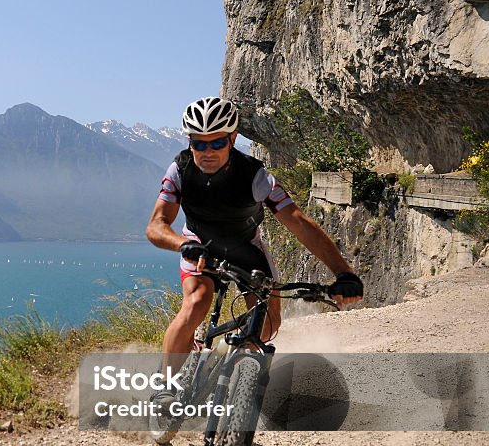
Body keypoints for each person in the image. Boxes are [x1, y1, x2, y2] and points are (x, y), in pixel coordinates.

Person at [145, 96, 364, 409]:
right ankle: (163, 389)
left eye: (217, 143)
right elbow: (156, 226)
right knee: (196, 303)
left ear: (233, 139)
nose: (207, 153)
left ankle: (228, 359)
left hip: (244, 247)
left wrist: (343, 272)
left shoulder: (256, 176)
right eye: (198, 144)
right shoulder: (180, 169)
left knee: (269, 324)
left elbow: (298, 223)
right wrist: (184, 245)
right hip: (199, 244)